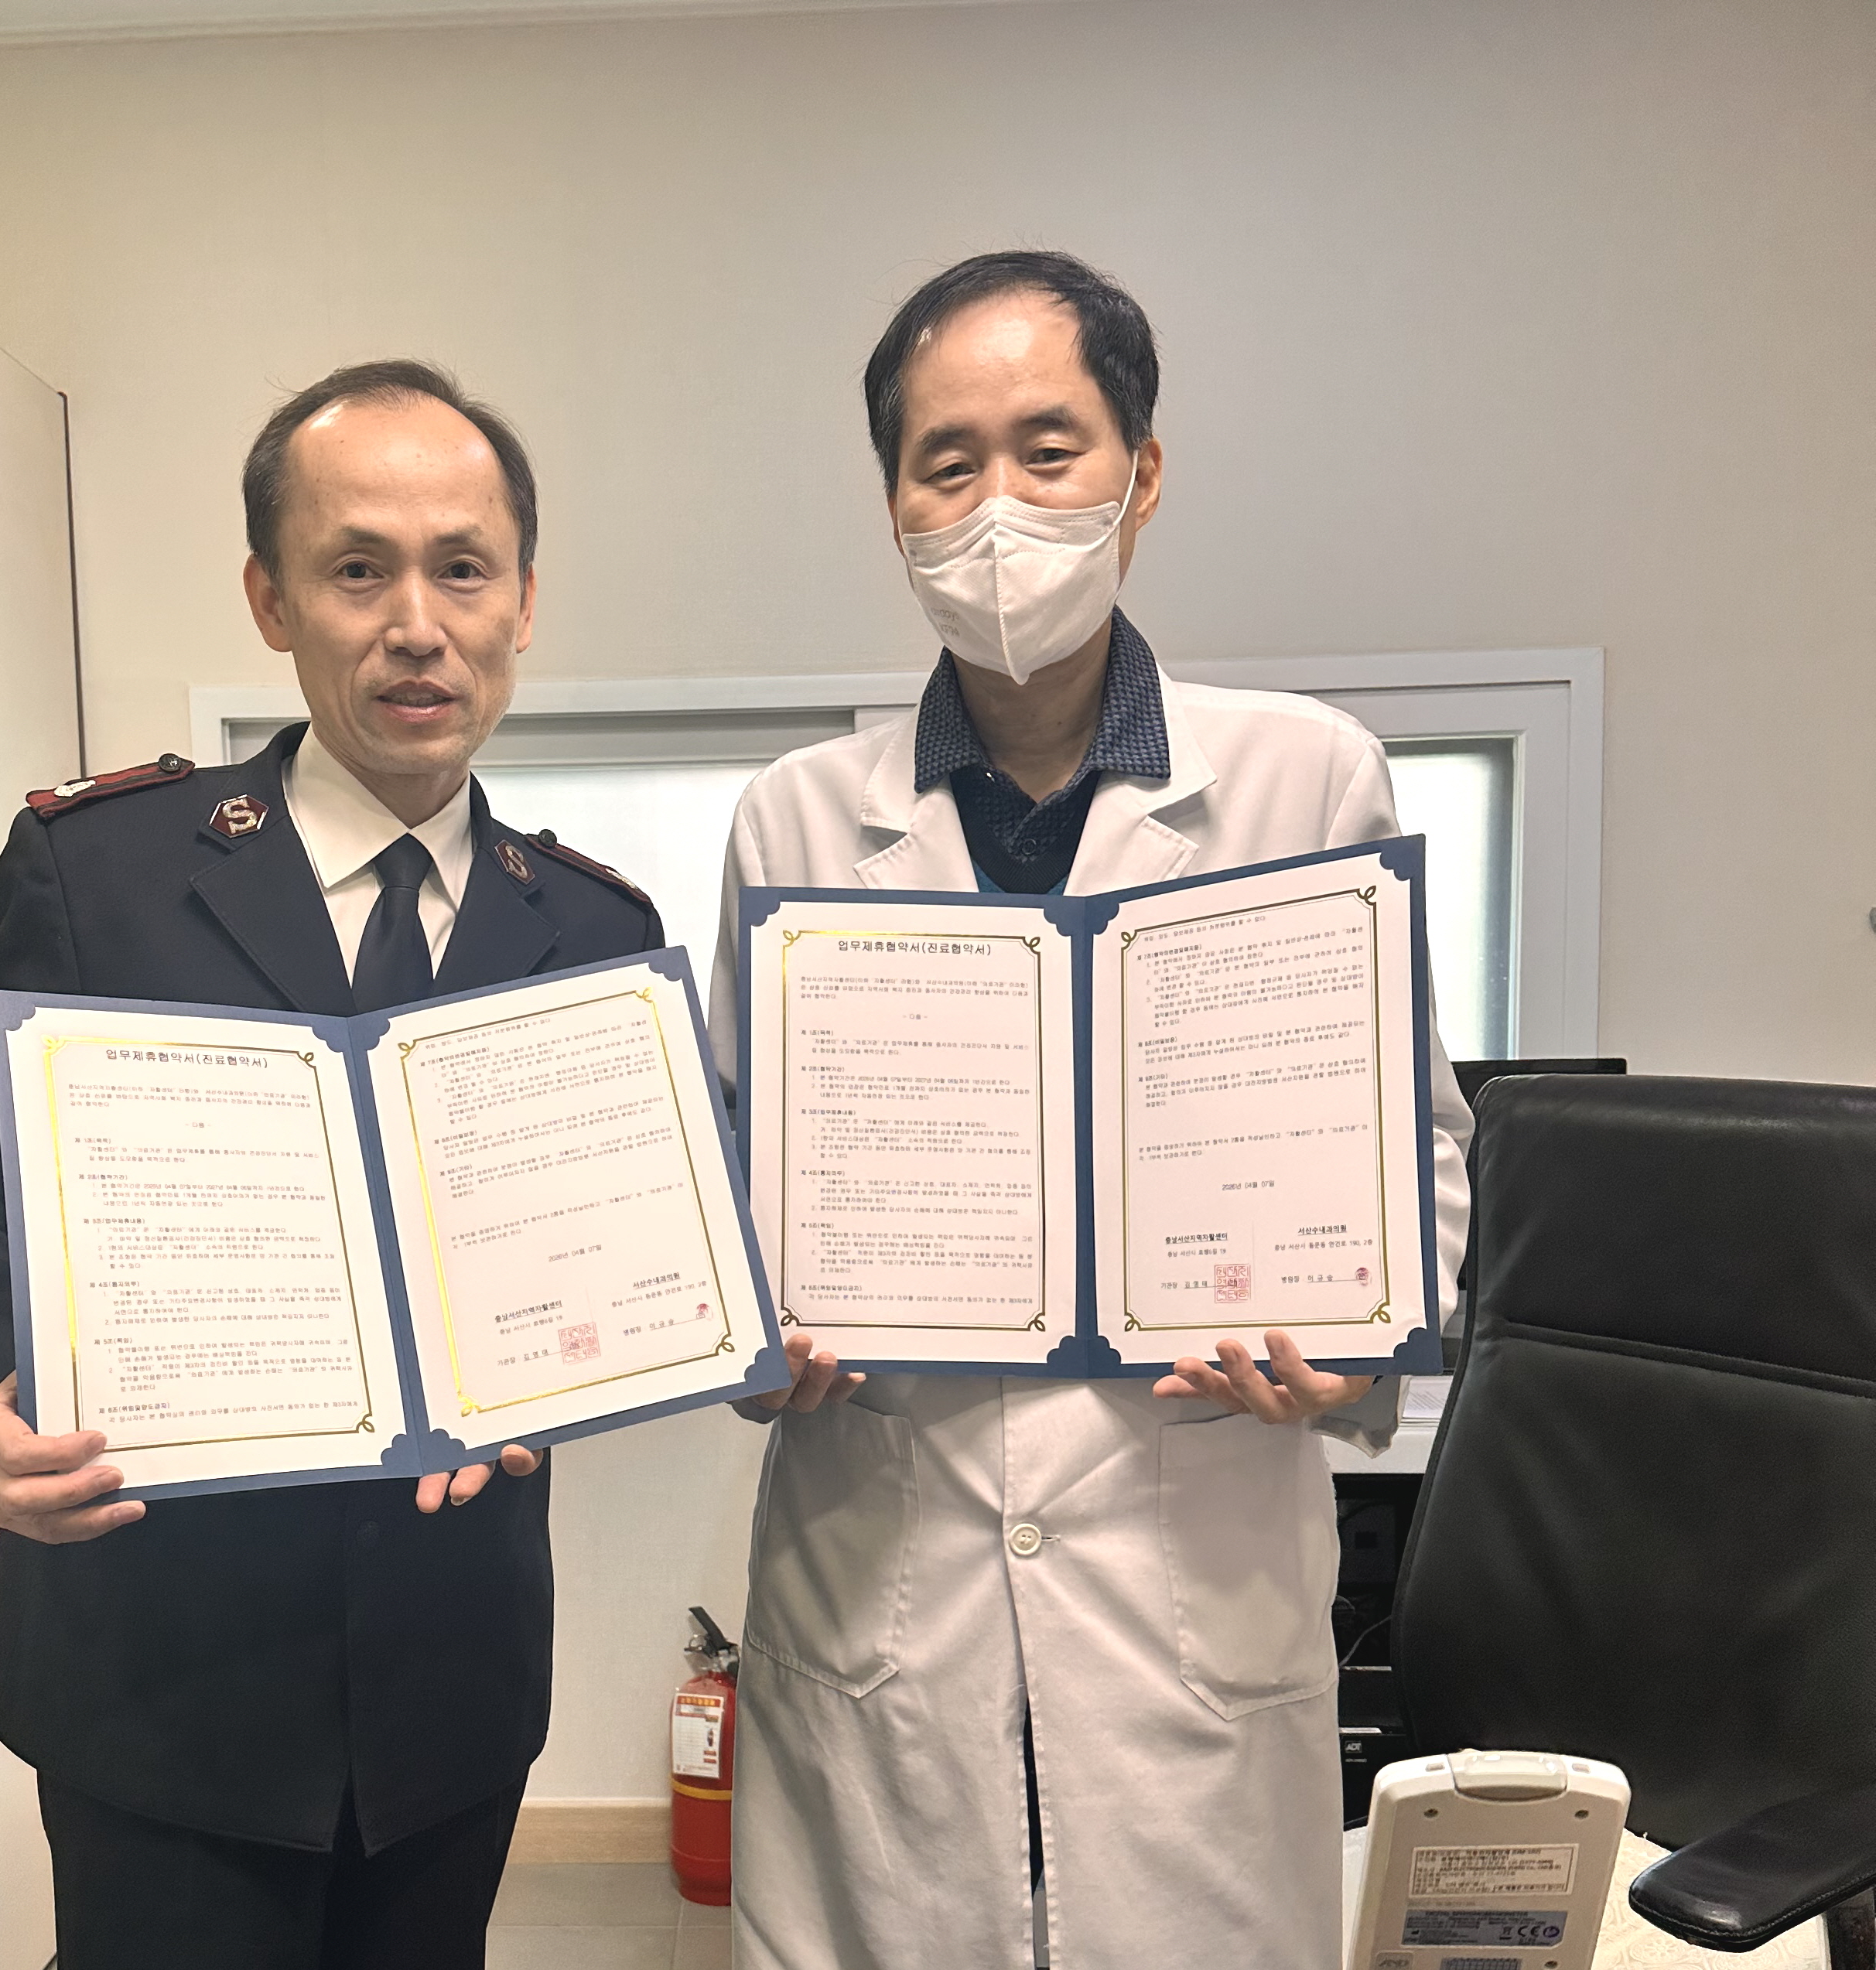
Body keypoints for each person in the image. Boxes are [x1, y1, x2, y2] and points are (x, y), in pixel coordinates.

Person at [706, 251, 1474, 1969]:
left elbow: (1413, 1147)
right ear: (893, 502)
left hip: (1188, 1583)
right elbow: (733, 1187)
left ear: (1142, 471)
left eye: (1048, 449)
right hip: (887, 1587)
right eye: (946, 461)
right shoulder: (795, 820)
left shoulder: (1303, 775)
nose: (997, 508)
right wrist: (752, 1342)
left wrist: (1355, 1350)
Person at [0, 360, 661, 1969]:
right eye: (357, 568)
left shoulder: (596, 932)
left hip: (449, 1683)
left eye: (463, 568)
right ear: (271, 599)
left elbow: (611, 1257)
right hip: (156, 1673)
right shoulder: (101, 873)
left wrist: (579, 1369)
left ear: (523, 602)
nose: (416, 624)